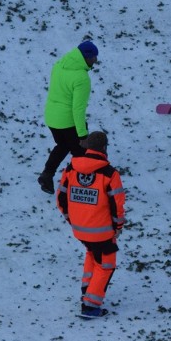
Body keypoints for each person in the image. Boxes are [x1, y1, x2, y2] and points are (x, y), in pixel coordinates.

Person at [56, 131, 126, 318]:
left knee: (93, 255)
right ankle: (91, 306)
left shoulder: (71, 168)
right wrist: (118, 227)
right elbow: (117, 205)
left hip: (80, 230)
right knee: (106, 265)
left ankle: (87, 291)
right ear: (104, 148)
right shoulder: (109, 174)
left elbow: (61, 197)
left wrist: (72, 219)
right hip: (102, 232)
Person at [38, 40, 99, 194]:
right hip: (67, 121)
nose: (96, 60)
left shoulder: (58, 65)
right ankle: (79, 186)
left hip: (51, 118)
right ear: (85, 57)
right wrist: (82, 135)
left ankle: (47, 174)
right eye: (93, 57)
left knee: (63, 146)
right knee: (81, 153)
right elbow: (78, 110)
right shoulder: (81, 78)